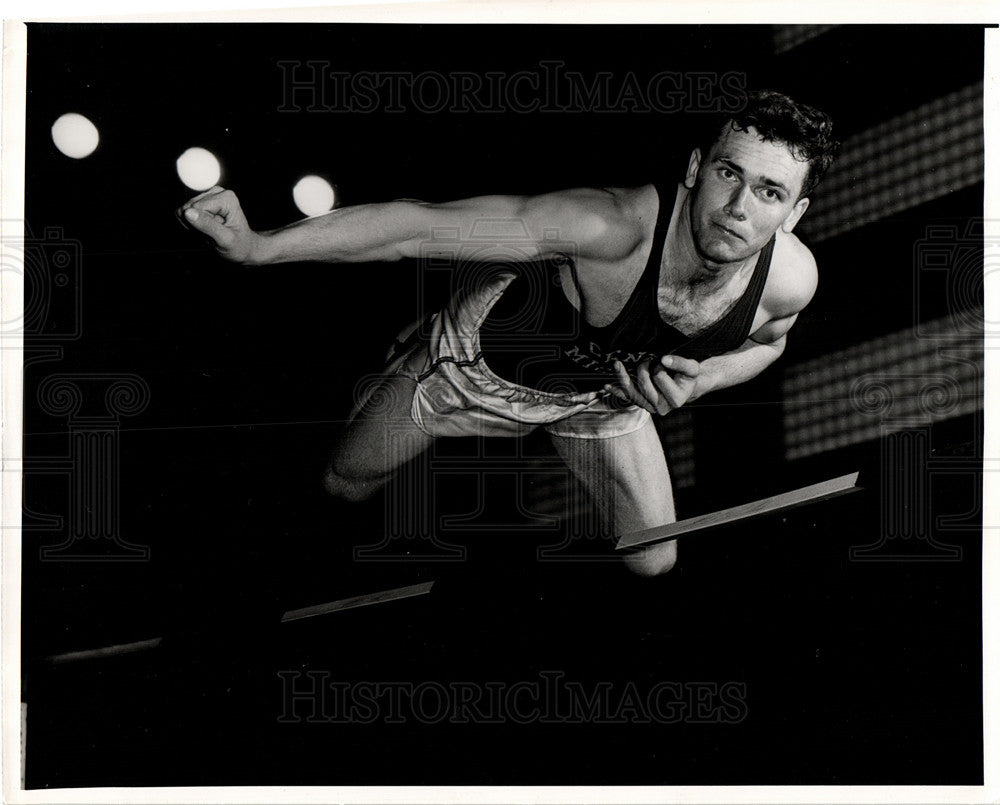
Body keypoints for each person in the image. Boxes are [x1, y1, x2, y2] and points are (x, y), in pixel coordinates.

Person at [178, 89, 838, 577]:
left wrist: (703, 380)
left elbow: (768, 343)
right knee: (344, 483)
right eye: (729, 174)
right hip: (479, 368)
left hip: (595, 402)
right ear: (696, 169)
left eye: (770, 193)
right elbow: (419, 226)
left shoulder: (789, 283)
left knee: (653, 557)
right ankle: (418, 348)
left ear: (795, 212)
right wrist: (259, 248)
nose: (738, 208)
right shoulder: (610, 227)